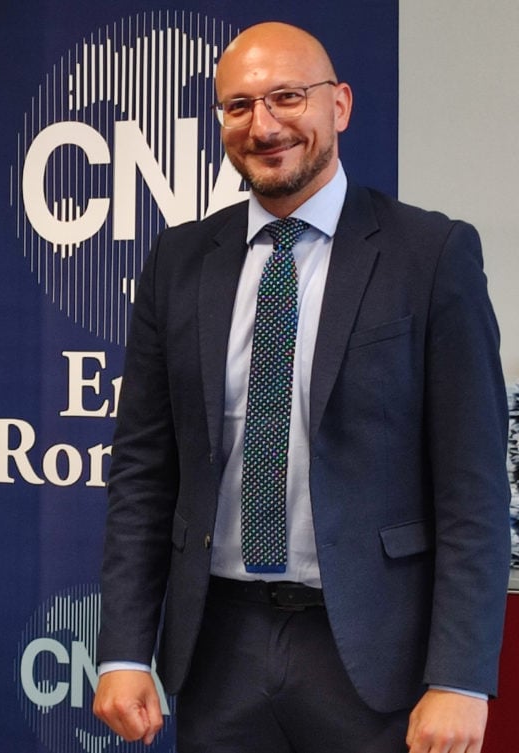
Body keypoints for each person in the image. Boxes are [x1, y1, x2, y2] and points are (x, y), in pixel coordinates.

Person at [93, 21, 510, 753]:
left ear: (339, 105)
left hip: (376, 654)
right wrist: (124, 651)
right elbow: (142, 473)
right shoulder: (179, 260)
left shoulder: (431, 254)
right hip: (217, 648)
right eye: (239, 106)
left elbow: (472, 486)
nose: (264, 126)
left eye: (287, 97)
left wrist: (461, 677)